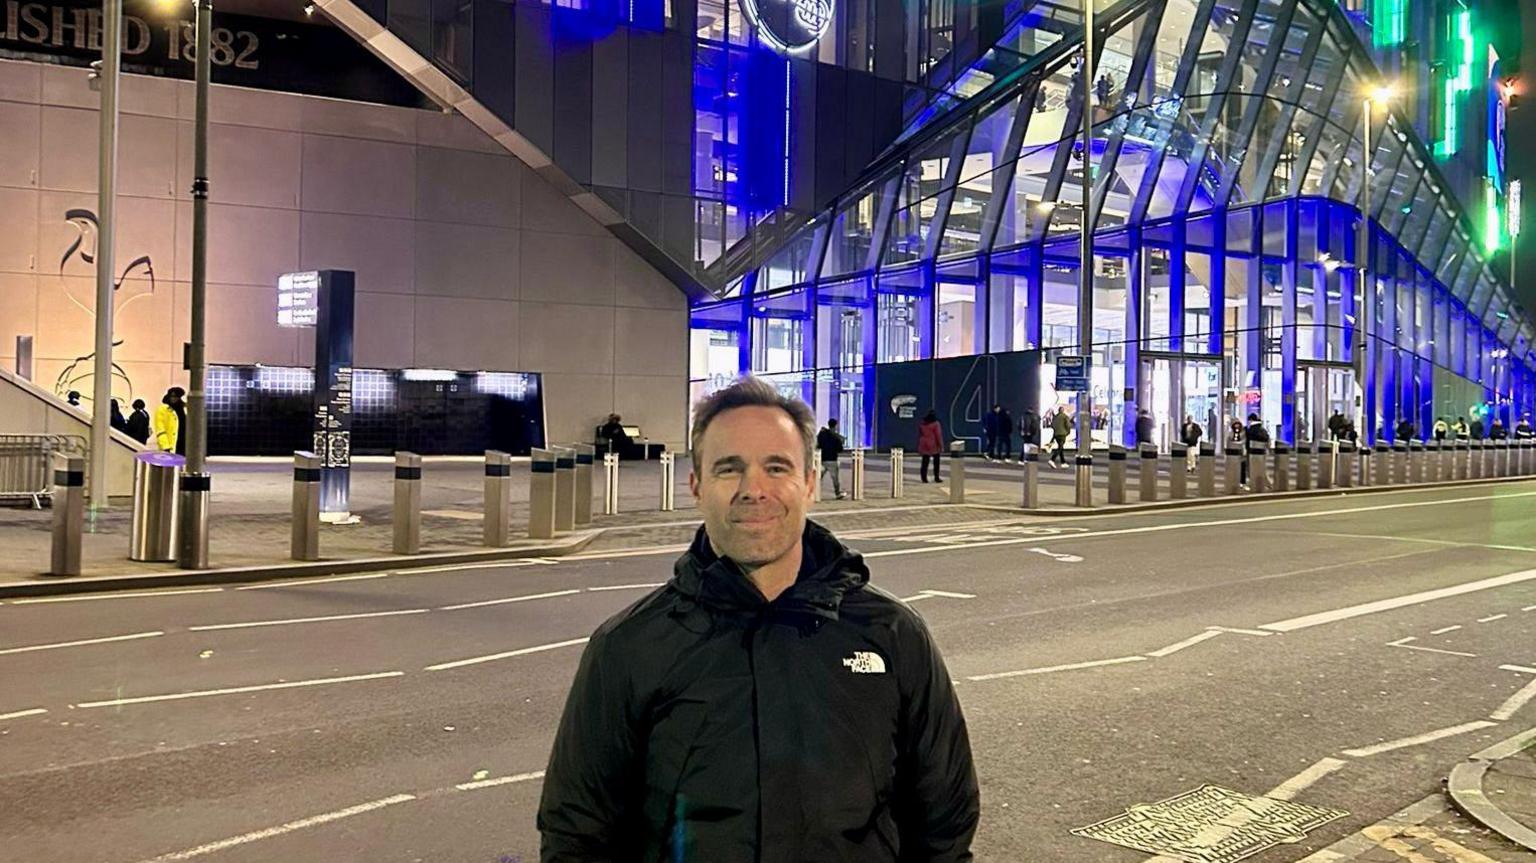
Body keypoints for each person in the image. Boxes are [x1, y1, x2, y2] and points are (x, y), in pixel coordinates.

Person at [538, 378, 981, 861]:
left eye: (777, 467)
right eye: (729, 469)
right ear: (695, 485)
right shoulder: (628, 648)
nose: (754, 490)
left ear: (809, 483)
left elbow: (944, 821)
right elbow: (577, 837)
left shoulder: (891, 635)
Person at [817, 417, 846, 499]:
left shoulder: (822, 434)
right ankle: (838, 493)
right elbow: (840, 449)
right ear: (835, 426)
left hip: (823, 459)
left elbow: (818, 444)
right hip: (833, 459)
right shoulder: (836, 437)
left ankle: (813, 492)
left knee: (818, 477)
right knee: (835, 479)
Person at [153, 387, 184, 454]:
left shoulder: (183, 409)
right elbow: (160, 430)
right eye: (173, 396)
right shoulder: (163, 409)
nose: (174, 399)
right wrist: (165, 447)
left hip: (183, 445)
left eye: (177, 397)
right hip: (170, 447)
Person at [917, 409, 944, 482]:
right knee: (936, 462)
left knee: (925, 462)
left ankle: (924, 478)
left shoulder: (923, 424)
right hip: (933, 444)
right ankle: (936, 477)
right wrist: (941, 446)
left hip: (924, 443)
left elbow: (920, 434)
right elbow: (938, 435)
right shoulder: (936, 424)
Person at [1243, 413, 1269, 489]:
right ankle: (1265, 483)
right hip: (1262, 451)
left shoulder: (1251, 429)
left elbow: (1248, 440)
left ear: (1251, 420)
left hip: (1252, 452)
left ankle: (1254, 483)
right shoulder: (1262, 429)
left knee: (1252, 468)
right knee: (1262, 468)